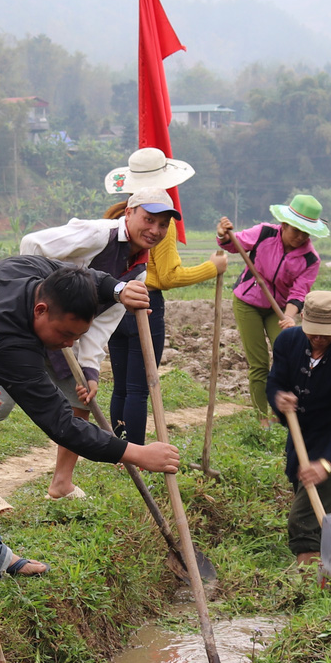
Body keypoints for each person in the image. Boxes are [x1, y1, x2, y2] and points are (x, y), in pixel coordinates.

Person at [0, 188, 180, 507]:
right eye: (148, 220)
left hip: (67, 337)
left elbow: (103, 323)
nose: (155, 230)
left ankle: (61, 482)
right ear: (129, 213)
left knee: (80, 397)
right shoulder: (99, 234)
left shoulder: (139, 268)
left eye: (163, 225)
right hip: (23, 325)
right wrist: (63, 289)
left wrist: (90, 369)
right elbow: (32, 244)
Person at [0, 257, 182, 478]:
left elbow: (85, 278)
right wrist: (138, 454)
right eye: (65, 334)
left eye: (77, 336)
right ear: (40, 310)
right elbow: (61, 423)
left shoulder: (35, 270)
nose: (69, 344)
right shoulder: (8, 343)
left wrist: (120, 290)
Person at [102, 148, 227, 446]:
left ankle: (118, 449)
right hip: (145, 304)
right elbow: (168, 276)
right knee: (139, 388)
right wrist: (213, 267)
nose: (156, 227)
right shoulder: (160, 223)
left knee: (120, 386)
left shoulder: (121, 214)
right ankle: (134, 452)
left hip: (115, 303)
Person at [264, 291, 331, 565]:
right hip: (299, 440)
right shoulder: (287, 342)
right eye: (313, 332)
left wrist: (326, 465)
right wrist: (278, 398)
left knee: (303, 519)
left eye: (325, 334)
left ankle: (308, 581)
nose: (318, 339)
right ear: (303, 319)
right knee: (318, 510)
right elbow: (274, 382)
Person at [216, 194, 327, 420]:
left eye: (306, 233)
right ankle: (261, 417)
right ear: (284, 224)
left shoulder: (310, 259)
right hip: (248, 302)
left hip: (279, 308)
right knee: (259, 363)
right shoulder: (264, 233)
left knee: (287, 355)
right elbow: (234, 244)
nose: (300, 237)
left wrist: (289, 317)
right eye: (296, 230)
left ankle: (284, 412)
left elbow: (299, 292)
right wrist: (223, 234)